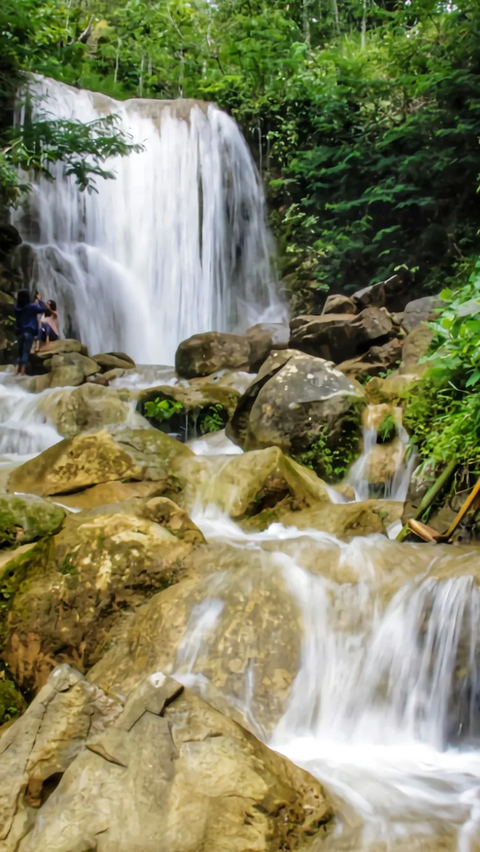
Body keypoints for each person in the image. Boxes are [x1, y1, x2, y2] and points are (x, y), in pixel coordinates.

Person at [14, 290, 47, 376]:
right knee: (25, 352)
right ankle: (22, 372)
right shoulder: (32, 307)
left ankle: (16, 371)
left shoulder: (16, 308)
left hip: (20, 332)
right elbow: (44, 309)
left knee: (20, 352)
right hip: (29, 331)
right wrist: (39, 300)